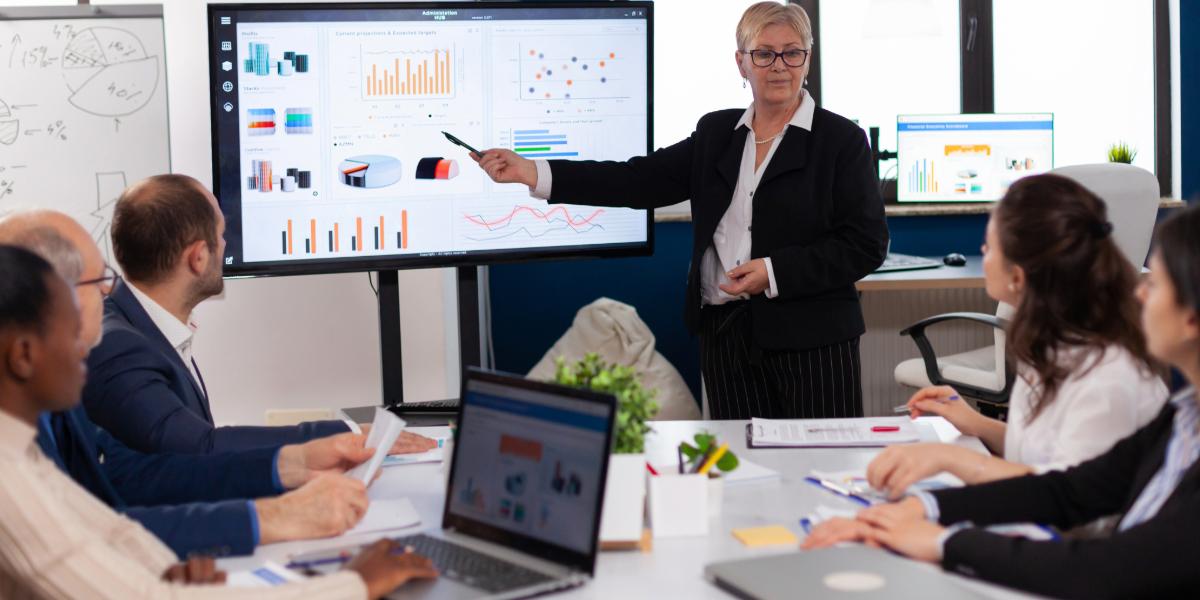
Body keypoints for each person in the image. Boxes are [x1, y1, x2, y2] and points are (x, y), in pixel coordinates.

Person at [473, 2, 888, 419]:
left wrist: (773, 271)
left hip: (813, 341)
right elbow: (638, 179)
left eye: (792, 52)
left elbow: (866, 245)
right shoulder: (716, 134)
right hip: (726, 337)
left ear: (807, 59)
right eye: (763, 53)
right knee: (740, 471)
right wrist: (533, 171)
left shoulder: (841, 140)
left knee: (819, 469)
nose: (779, 65)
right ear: (742, 63)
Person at [802, 203, 1200, 599]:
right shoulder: (1182, 416)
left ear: (1191, 320)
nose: (1139, 292)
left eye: (1157, 283)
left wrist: (941, 542)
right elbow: (1069, 490)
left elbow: (1105, 567)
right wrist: (926, 507)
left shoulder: (1115, 380)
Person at [0, 244, 439, 599]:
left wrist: (161, 567)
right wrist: (353, 584)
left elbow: (105, 524)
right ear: (23, 354)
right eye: (70, 330)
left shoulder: (24, 445)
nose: (87, 345)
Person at [79, 174, 435, 455]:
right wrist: (346, 434)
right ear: (198, 257)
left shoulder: (141, 326)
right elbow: (198, 449)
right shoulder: (120, 348)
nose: (226, 246)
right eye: (220, 236)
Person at [866, 175, 1167, 499]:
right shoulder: (1052, 343)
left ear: (1018, 276)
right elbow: (1040, 452)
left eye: (990, 246)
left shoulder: (1105, 380)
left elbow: (1069, 499)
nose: (982, 251)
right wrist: (975, 424)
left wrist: (950, 459)